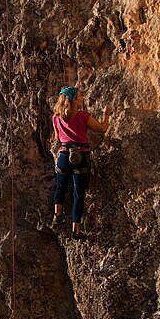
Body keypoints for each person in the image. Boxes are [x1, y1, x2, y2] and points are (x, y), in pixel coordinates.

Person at [51, 86, 111, 240]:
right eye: (79, 96)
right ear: (72, 100)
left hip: (64, 155)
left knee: (61, 186)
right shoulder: (83, 116)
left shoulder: (56, 118)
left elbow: (57, 138)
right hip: (81, 156)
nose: (81, 98)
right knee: (78, 193)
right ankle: (75, 230)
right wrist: (106, 114)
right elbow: (102, 128)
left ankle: (57, 215)